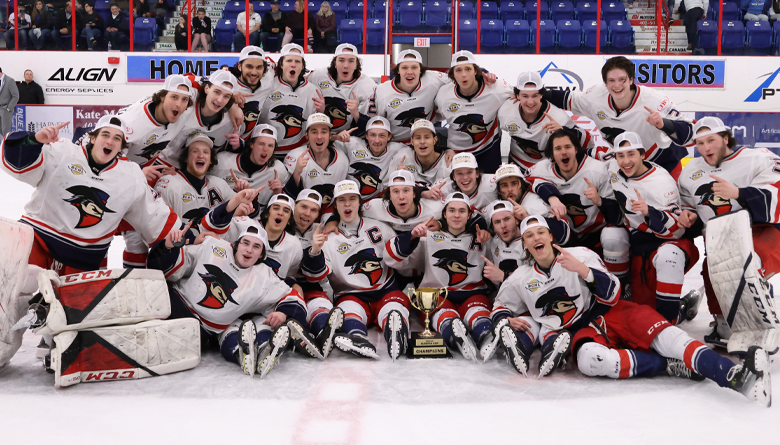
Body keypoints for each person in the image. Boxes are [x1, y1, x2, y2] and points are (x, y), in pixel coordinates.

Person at [489, 216, 771, 408]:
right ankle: (667, 365)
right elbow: (499, 305)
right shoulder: (520, 276)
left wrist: (585, 272)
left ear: (550, 236)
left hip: (611, 311)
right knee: (591, 361)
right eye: (529, 235)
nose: (536, 238)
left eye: (540, 232)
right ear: (524, 243)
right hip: (581, 330)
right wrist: (505, 318)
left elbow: (612, 293)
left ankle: (735, 374)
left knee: (671, 339)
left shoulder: (581, 255)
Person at [0, 115, 181, 365]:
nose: (111, 141)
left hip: (82, 260)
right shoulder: (62, 151)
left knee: (72, 327)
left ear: (121, 146)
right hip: (38, 241)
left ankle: (55, 331)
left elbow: (154, 217)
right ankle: (4, 345)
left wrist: (182, 234)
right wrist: (35, 140)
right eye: (105, 134)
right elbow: (16, 165)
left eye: (117, 138)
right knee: (12, 296)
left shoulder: (130, 176)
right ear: (93, 137)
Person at [148, 223, 309, 378]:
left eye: (256, 246)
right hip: (171, 300)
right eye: (245, 243)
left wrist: (283, 312)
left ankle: (251, 350)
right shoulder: (213, 246)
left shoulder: (264, 277)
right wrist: (167, 247)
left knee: (153, 346)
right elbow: (163, 268)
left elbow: (293, 297)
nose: (249, 250)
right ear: (236, 245)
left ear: (261, 254)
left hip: (198, 329)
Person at [677, 117, 780, 352]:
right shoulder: (690, 170)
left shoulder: (758, 158)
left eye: (711, 140)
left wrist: (739, 193)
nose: (706, 148)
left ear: (725, 138)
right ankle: (724, 321)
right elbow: (687, 204)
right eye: (700, 143)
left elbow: (777, 192)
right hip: (720, 239)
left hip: (763, 231)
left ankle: (762, 322)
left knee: (747, 262)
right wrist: (688, 215)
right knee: (713, 267)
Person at [302, 180, 410, 360]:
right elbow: (315, 277)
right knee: (348, 311)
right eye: (342, 200)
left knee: (394, 307)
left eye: (352, 198)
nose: (347, 204)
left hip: (386, 291)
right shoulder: (327, 238)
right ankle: (357, 337)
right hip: (350, 294)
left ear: (359, 202)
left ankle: (396, 330)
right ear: (335, 205)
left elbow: (401, 261)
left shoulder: (380, 228)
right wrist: (315, 251)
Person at [606, 132, 701, 325]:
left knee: (669, 258)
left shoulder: (661, 183)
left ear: (642, 154)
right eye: (621, 155)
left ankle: (675, 315)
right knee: (611, 235)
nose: (626, 161)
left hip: (663, 242)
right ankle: (621, 292)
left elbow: (678, 231)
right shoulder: (613, 168)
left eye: (631, 154)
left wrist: (650, 212)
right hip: (636, 240)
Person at [546, 57, 694, 180]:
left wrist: (663, 124)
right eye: (611, 80)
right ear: (605, 83)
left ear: (631, 80)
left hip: (663, 163)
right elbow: (569, 100)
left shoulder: (654, 100)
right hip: (627, 165)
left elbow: (690, 132)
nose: (616, 85)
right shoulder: (596, 96)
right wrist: (537, 92)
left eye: (622, 80)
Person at [385, 192, 490, 361]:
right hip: (436, 295)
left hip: (473, 294)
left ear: (470, 214)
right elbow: (392, 258)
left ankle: (486, 338)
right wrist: (411, 237)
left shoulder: (482, 239)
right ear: (444, 214)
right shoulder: (428, 236)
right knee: (447, 317)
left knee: (479, 315)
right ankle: (458, 341)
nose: (456, 215)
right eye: (452, 210)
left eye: (462, 211)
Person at [434, 51, 513, 174]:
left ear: (476, 71)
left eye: (468, 69)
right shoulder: (443, 96)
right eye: (458, 70)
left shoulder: (497, 89)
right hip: (457, 153)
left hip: (488, 151)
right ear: (453, 74)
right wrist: (444, 148)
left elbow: (522, 96)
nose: (463, 75)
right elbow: (431, 117)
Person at [499, 71, 591, 176]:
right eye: (525, 96)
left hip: (547, 169)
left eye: (535, 96)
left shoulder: (558, 117)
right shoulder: (506, 111)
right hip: (517, 165)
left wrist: (565, 130)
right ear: (517, 96)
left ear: (542, 95)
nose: (530, 102)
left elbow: (588, 142)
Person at [154, 131, 242, 239]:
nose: (201, 155)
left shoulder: (219, 184)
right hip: (181, 250)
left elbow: (246, 210)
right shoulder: (169, 184)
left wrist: (243, 194)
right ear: (185, 158)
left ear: (210, 160)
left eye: (206, 152)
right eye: (195, 151)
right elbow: (158, 225)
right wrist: (191, 240)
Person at [154, 70, 241, 168]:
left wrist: (238, 145)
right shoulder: (187, 102)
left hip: (198, 170)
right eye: (217, 92)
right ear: (207, 88)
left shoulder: (231, 120)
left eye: (226, 96)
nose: (220, 100)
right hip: (164, 163)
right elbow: (187, 79)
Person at [261, 43, 325, 157]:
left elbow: (314, 126)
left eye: (297, 61)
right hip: (268, 151)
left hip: (299, 152)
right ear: (281, 64)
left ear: (302, 66)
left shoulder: (313, 90)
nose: (293, 65)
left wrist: (321, 112)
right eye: (289, 61)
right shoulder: (268, 86)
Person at [373, 50, 449, 144]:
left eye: (414, 67)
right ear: (398, 70)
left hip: (424, 142)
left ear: (420, 70)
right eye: (404, 67)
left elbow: (457, 80)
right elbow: (378, 123)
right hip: (396, 144)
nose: (409, 72)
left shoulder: (433, 79)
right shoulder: (383, 91)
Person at [213, 124, 290, 216]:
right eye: (261, 144)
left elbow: (273, 212)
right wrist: (234, 193)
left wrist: (277, 192)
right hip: (221, 217)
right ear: (251, 144)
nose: (265, 149)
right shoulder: (222, 162)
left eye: (270, 145)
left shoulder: (278, 170)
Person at [307, 43, 377, 136]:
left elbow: (373, 126)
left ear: (356, 65)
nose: (346, 66)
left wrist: (356, 114)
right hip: (321, 134)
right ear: (334, 63)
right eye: (341, 60)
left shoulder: (368, 86)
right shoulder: (319, 75)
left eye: (351, 61)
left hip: (351, 138)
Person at [283, 113, 348, 209]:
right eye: (314, 132)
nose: (319, 136)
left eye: (324, 132)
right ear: (307, 135)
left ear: (330, 135)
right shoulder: (295, 156)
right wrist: (296, 173)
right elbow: (289, 198)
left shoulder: (342, 159)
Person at [332, 116, 405, 201]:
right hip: (348, 198)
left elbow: (417, 150)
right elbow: (322, 143)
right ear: (366, 136)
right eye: (373, 135)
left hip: (373, 202)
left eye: (382, 135)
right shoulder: (352, 143)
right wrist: (335, 137)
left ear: (389, 137)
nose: (377, 140)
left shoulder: (397, 149)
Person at [228, 46, 276, 141]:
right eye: (249, 66)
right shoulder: (227, 81)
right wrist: (228, 99)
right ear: (239, 66)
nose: (254, 72)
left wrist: (305, 77)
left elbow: (277, 65)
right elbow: (200, 85)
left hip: (247, 144)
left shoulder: (268, 78)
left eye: (259, 67)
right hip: (222, 141)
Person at [390, 119, 453, 190]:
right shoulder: (402, 157)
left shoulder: (448, 164)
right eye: (418, 138)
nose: (422, 141)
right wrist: (398, 179)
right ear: (412, 141)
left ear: (435, 140)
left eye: (427, 137)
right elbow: (387, 190)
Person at [0, 67, 20, 136]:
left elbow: (15, 96)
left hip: (5, 109)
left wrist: (9, 108)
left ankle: (7, 146)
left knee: (5, 130)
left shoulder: (9, 80)